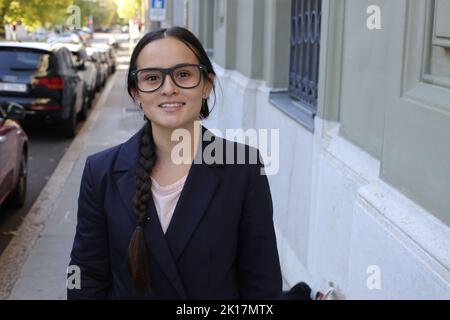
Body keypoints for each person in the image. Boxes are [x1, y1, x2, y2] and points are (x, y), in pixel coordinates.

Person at [67, 26, 282, 300]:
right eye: (152, 77)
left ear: (207, 85)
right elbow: (85, 275)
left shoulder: (244, 169)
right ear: (136, 93)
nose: (168, 89)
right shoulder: (100, 172)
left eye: (183, 75)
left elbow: (262, 282)